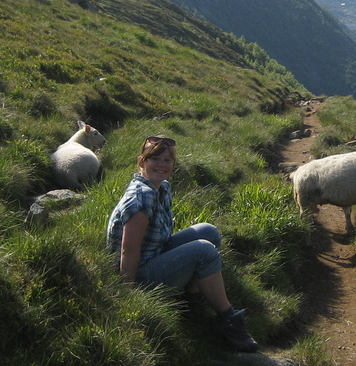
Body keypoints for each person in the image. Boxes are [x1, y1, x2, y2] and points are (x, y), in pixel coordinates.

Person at [106, 136, 258, 353]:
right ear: (142, 161)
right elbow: (128, 249)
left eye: (167, 160)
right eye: (154, 159)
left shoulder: (161, 188)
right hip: (138, 274)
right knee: (204, 251)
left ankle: (191, 300)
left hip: (153, 255)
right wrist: (127, 296)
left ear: (173, 165)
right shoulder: (142, 197)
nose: (161, 164)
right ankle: (228, 319)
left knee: (208, 232)